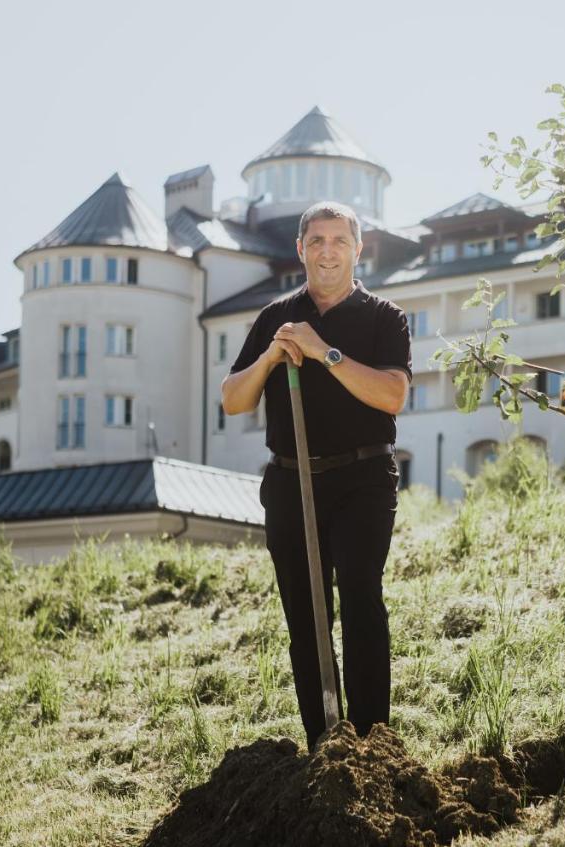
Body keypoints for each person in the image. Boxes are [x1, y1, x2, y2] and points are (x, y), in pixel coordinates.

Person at [220, 201, 411, 753]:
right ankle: (324, 743)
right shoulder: (275, 317)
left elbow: (392, 394)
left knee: (359, 597)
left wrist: (321, 351)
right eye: (317, 241)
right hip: (291, 482)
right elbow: (233, 400)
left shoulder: (383, 317)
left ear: (357, 249)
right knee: (306, 617)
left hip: (363, 479)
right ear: (300, 249)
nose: (328, 251)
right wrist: (272, 359)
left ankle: (374, 746)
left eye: (339, 240)